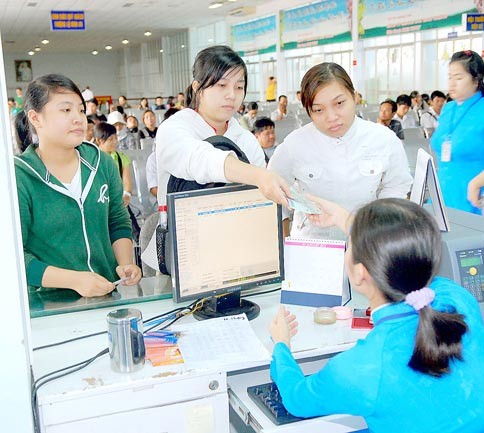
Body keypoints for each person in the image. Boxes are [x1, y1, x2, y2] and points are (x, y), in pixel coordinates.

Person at [269, 197, 484, 433]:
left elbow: (297, 398)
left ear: (359, 274)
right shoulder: (459, 300)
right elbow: (406, 259)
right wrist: (346, 219)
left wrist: (282, 344)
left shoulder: (362, 367)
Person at [14, 74, 141, 297]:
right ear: (36, 118)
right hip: (48, 304)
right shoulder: (20, 176)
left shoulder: (102, 164)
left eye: (81, 110)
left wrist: (125, 262)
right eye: (66, 110)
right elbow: (13, 255)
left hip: (107, 295)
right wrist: (74, 280)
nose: (78, 119)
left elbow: (118, 222)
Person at [268, 62, 411, 239]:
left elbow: (397, 186)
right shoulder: (294, 145)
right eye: (319, 110)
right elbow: (273, 191)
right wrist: (283, 242)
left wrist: (380, 226)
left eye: (339, 103)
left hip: (365, 240)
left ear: (353, 96)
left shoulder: (383, 139)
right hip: (313, 244)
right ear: (308, 111)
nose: (332, 117)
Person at [155, 45, 289, 215]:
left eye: (239, 87)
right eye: (221, 85)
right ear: (198, 88)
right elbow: (200, 159)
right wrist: (259, 176)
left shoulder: (245, 139)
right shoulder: (174, 129)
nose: (232, 95)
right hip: (182, 236)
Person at [431, 50, 484, 223]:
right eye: (450, 77)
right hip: (449, 191)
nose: (452, 83)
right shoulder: (448, 109)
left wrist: (476, 183)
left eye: (458, 77)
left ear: (476, 80)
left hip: (480, 196)